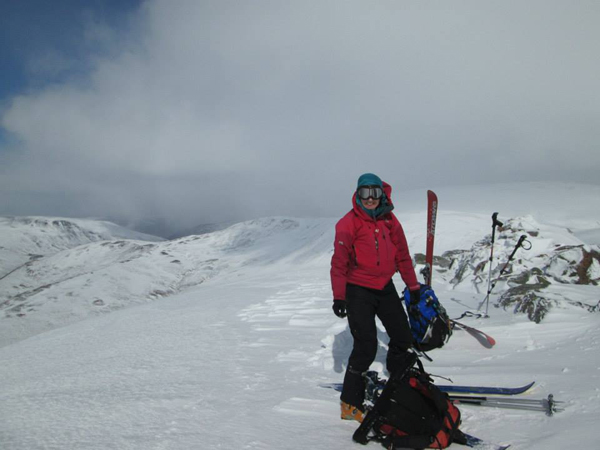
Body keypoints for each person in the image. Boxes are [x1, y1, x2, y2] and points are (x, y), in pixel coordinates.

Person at [330, 173, 421, 422]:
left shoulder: (390, 220)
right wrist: (339, 297)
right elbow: (339, 263)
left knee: (403, 336)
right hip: (358, 289)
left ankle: (398, 379)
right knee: (366, 346)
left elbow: (402, 254)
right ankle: (350, 402)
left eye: (375, 193)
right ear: (357, 195)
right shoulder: (348, 224)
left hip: (385, 286)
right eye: (364, 193)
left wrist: (413, 286)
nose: (370, 199)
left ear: (383, 194)